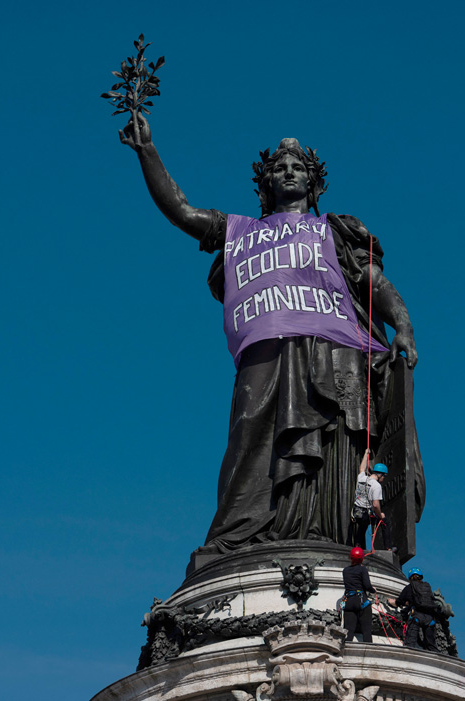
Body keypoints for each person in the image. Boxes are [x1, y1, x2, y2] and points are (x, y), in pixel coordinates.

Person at [120, 112, 424, 555]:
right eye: (279, 167)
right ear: (265, 184)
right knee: (251, 436)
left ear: (313, 183)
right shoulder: (240, 233)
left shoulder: (333, 232)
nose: (288, 172)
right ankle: (247, 533)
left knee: (331, 444)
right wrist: (148, 152)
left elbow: (372, 283)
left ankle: (330, 536)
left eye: (298, 167)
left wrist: (404, 325)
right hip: (265, 358)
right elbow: (182, 213)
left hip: (334, 355)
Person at [387, 567, 438, 651]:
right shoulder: (427, 587)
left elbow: (399, 601)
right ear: (421, 577)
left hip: (417, 617)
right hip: (430, 618)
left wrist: (391, 602)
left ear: (410, 578)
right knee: (431, 645)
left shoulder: (409, 588)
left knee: (410, 645)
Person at [350, 449, 392, 551]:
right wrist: (380, 515)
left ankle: (357, 546)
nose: (383, 479)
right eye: (384, 476)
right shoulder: (376, 486)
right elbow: (375, 505)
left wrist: (365, 454)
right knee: (385, 522)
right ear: (380, 474)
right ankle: (388, 548)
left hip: (356, 512)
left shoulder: (361, 478)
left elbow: (362, 468)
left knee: (362, 527)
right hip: (365, 513)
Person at [341, 547, 376, 642]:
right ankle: (368, 651)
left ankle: (346, 651)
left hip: (349, 602)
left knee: (348, 630)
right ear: (362, 558)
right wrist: (373, 590)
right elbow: (367, 585)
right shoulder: (362, 569)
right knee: (366, 630)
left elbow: (348, 586)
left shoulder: (345, 570)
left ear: (350, 558)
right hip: (361, 601)